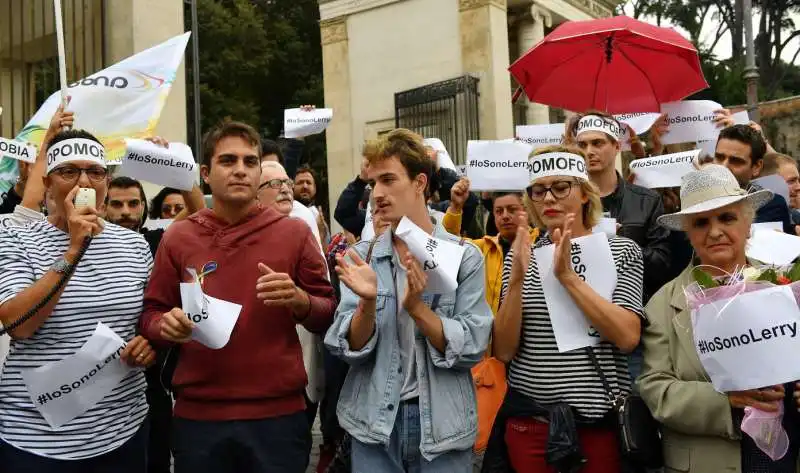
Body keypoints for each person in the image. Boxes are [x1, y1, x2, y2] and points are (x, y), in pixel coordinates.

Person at [140, 120, 336, 473]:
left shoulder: (293, 232)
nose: (241, 171)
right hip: (198, 419)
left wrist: (300, 301)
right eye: (228, 161)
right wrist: (163, 325)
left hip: (278, 418)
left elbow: (327, 313)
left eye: (250, 162)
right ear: (205, 173)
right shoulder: (179, 237)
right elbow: (151, 313)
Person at [325, 128, 493, 472]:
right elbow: (347, 349)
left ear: (419, 183)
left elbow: (473, 344)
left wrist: (417, 309)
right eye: (373, 184)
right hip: (374, 425)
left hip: (443, 428)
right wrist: (366, 304)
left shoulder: (463, 257)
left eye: (388, 180)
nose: (378, 194)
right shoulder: (361, 258)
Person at [0, 129, 156, 471]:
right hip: (36, 438)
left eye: (95, 172)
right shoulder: (13, 235)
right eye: (69, 171)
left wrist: (150, 340)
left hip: (121, 430)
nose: (84, 181)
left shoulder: (133, 245)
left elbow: (149, 317)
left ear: (106, 181)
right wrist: (73, 249)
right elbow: (18, 325)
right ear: (48, 183)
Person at [486, 146, 644, 473]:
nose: (549, 199)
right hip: (531, 426)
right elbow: (503, 350)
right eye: (539, 190)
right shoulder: (521, 255)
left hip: (596, 426)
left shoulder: (621, 251)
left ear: (585, 194)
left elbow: (627, 337)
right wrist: (515, 281)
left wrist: (569, 278)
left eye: (561, 187)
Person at [638, 164, 800, 473]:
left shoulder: (786, 285)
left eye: (726, 217)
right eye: (701, 223)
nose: (715, 232)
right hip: (707, 460)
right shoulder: (663, 304)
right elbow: (655, 388)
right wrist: (725, 400)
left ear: (748, 223)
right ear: (688, 233)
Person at [714, 124, 793, 234]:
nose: (723, 166)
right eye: (719, 157)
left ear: (756, 167)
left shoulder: (771, 205)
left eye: (736, 161)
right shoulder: (694, 200)